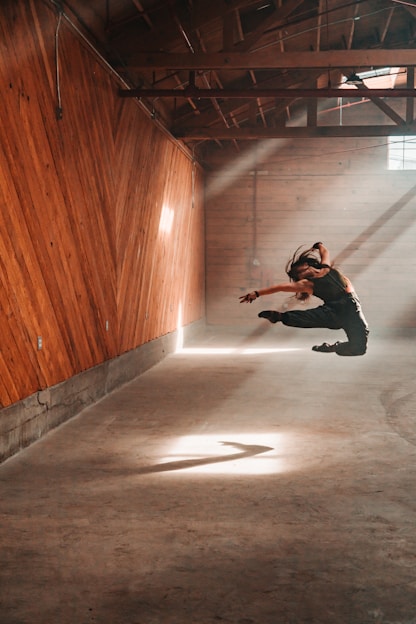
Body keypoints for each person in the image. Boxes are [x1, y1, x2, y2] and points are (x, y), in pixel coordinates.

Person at [239, 242, 369, 356]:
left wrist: (318, 245)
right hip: (335, 310)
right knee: (310, 317)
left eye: (298, 271)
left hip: (352, 310)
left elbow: (325, 252)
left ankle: (333, 347)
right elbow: (279, 287)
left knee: (359, 348)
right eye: (297, 276)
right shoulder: (307, 284)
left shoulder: (325, 267)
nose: (299, 275)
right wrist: (256, 293)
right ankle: (279, 316)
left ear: (306, 264)